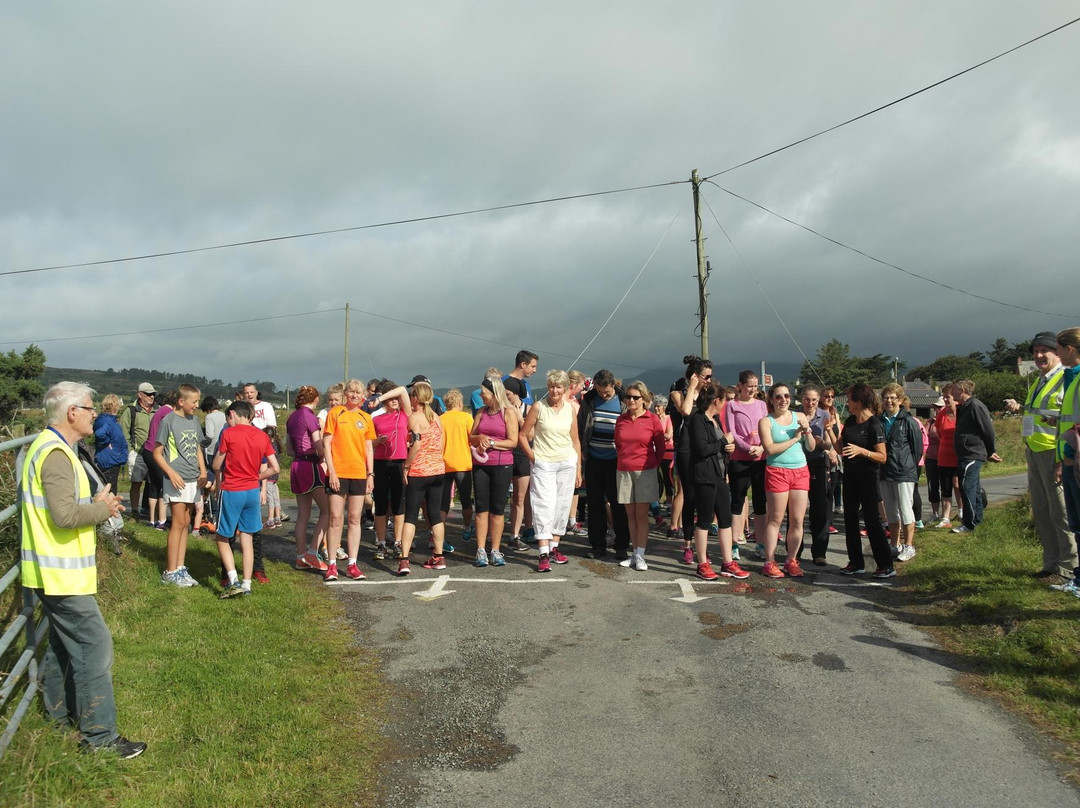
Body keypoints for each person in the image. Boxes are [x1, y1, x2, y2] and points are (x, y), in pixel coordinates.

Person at [19, 382, 145, 758]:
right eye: (90, 408)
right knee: (94, 645)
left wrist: (94, 501)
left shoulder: (51, 448)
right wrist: (101, 510)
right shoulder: (56, 453)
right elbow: (64, 515)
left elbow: (65, 506)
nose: (95, 414)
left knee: (61, 646)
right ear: (72, 412)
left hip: (53, 569)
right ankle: (100, 737)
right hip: (60, 574)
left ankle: (57, 719)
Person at [1004, 331, 1074, 578]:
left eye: (1045, 350)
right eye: (1035, 351)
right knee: (1042, 512)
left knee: (1061, 512)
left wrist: (1061, 455)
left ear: (1058, 352)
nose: (1039, 355)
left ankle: (1068, 569)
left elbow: (1068, 418)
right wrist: (1020, 408)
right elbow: (1036, 412)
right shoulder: (1038, 381)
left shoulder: (1067, 378)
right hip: (1034, 450)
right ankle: (1051, 565)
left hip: (1054, 452)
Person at [213, 400, 279, 597]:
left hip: (232, 489)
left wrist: (218, 462)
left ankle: (233, 579)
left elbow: (217, 465)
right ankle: (247, 584)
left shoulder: (229, 433)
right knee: (247, 537)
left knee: (222, 536)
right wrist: (256, 477)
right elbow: (275, 467)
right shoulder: (261, 435)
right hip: (252, 490)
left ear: (232, 414)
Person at [519, 370, 582, 573]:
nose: (554, 390)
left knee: (562, 505)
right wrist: (532, 456)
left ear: (565, 388)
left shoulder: (570, 409)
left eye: (558, 387)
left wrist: (578, 467)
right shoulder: (539, 407)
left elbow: (575, 440)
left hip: (566, 462)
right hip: (544, 463)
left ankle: (555, 548)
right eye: (551, 386)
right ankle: (543, 553)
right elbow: (522, 435)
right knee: (543, 505)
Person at [687, 382, 747, 580]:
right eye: (724, 400)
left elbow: (718, 446)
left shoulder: (715, 420)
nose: (726, 404)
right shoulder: (697, 419)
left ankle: (728, 562)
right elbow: (701, 449)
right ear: (717, 400)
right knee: (704, 520)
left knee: (725, 519)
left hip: (719, 475)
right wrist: (723, 442)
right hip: (704, 476)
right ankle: (702, 563)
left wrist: (726, 448)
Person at [758, 383, 816, 578]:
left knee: (798, 520)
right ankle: (769, 561)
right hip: (777, 471)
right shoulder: (766, 422)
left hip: (800, 470)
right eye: (778, 397)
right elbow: (770, 449)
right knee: (775, 519)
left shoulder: (799, 417)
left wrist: (807, 431)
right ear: (771, 400)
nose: (783, 400)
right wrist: (794, 438)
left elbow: (811, 446)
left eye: (786, 396)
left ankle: (791, 560)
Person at [323, 379, 378, 581]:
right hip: (338, 473)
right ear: (345, 393)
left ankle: (353, 564)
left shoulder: (365, 417)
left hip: (358, 474)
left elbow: (368, 448)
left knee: (355, 519)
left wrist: (370, 474)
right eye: (351, 391)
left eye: (357, 392)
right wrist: (332, 471)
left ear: (363, 394)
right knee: (336, 518)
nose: (354, 395)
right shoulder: (335, 413)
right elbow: (327, 444)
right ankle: (331, 565)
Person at [836, 383, 894, 578]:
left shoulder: (874, 424)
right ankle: (855, 562)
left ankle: (885, 565)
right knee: (850, 518)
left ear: (859, 401)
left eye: (849, 399)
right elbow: (840, 449)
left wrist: (862, 451)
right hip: (850, 476)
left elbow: (882, 456)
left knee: (871, 520)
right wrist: (830, 432)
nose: (847, 402)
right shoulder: (851, 421)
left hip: (869, 476)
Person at [153, 383, 208, 586]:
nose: (197, 405)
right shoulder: (168, 420)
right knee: (177, 523)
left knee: (186, 521)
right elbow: (157, 453)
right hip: (176, 480)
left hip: (193, 479)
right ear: (181, 401)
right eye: (194, 402)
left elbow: (197, 449)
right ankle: (170, 571)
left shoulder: (194, 420)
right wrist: (171, 473)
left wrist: (203, 471)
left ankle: (180, 568)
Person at [397, 381, 449, 575]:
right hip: (437, 471)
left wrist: (406, 466)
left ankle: (404, 560)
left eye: (411, 396)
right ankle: (439, 555)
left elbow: (416, 445)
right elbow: (442, 444)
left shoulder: (414, 418)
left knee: (410, 515)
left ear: (416, 398)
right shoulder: (437, 417)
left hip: (419, 471)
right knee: (434, 514)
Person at [614, 381, 666, 571]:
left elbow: (660, 447)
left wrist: (652, 464)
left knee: (642, 515)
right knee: (630, 514)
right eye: (628, 397)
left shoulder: (652, 420)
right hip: (624, 470)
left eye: (635, 397)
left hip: (645, 470)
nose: (631, 400)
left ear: (644, 400)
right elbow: (618, 444)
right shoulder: (621, 420)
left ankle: (641, 555)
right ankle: (634, 553)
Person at [578, 369, 629, 560]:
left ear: (613, 385)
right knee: (595, 505)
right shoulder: (589, 400)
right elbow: (581, 425)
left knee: (619, 505)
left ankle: (622, 545)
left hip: (616, 460)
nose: (603, 395)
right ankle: (597, 545)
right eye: (599, 391)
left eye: (606, 392)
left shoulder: (624, 400)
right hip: (594, 459)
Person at [470, 375, 519, 567]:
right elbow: (471, 437)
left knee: (498, 510)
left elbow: (513, 442)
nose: (481, 396)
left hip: (502, 464)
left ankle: (495, 551)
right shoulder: (481, 412)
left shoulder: (508, 413)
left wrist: (491, 442)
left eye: (484, 393)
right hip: (481, 465)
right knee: (481, 508)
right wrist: (480, 437)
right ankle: (480, 550)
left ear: (494, 393)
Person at [669, 356, 713, 562]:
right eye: (706, 377)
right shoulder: (678, 394)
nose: (709, 381)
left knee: (704, 497)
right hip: (686, 450)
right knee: (689, 497)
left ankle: (702, 543)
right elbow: (686, 411)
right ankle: (687, 544)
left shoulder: (707, 395)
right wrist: (693, 388)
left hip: (705, 450)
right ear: (695, 376)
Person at [286, 385, 330, 571]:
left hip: (296, 465)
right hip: (310, 465)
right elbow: (318, 444)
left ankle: (300, 556)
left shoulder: (291, 417)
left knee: (303, 514)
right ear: (316, 399)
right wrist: (323, 457)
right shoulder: (310, 417)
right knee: (328, 511)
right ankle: (313, 552)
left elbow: (288, 449)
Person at [725, 371, 768, 557]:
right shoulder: (731, 405)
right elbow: (731, 431)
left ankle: (761, 542)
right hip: (739, 459)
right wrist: (746, 447)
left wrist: (760, 448)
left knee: (760, 502)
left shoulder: (761, 405)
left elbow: (767, 428)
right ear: (740, 386)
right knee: (737, 500)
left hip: (760, 458)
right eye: (749, 386)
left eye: (755, 386)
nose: (752, 389)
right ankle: (734, 543)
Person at [879, 383, 923, 563]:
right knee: (891, 512)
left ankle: (909, 546)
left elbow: (917, 449)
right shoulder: (879, 420)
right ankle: (894, 544)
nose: (889, 401)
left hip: (904, 471)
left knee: (906, 510)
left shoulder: (908, 421)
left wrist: (907, 466)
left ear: (900, 400)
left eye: (893, 397)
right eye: (886, 397)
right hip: (885, 472)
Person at [951, 379, 1001, 534]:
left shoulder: (975, 406)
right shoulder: (963, 407)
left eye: (954, 389)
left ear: (963, 390)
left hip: (973, 452)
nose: (952, 393)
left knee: (966, 487)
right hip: (965, 452)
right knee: (974, 487)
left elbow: (987, 430)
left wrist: (990, 450)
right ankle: (977, 520)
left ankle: (969, 523)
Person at [371, 380, 412, 560]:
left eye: (396, 398)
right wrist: (377, 442)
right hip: (380, 462)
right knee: (380, 505)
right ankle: (381, 543)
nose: (395, 400)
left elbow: (403, 390)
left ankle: (397, 542)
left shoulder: (404, 415)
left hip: (399, 462)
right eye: (391, 398)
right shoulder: (376, 419)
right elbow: (368, 443)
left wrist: (381, 397)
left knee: (398, 505)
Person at [798, 385, 833, 566]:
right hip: (798, 464)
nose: (810, 403)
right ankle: (795, 551)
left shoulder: (825, 416)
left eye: (813, 400)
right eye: (806, 399)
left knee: (819, 509)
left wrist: (821, 440)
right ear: (801, 399)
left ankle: (819, 552)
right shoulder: (795, 415)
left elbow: (828, 446)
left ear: (818, 400)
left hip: (818, 463)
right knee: (796, 511)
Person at [503, 375, 534, 552]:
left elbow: (530, 436)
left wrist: (519, 417)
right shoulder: (502, 408)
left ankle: (515, 535)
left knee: (520, 498)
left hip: (522, 456)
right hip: (505, 454)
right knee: (501, 497)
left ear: (516, 393)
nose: (505, 397)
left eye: (507, 394)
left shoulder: (529, 408)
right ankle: (495, 535)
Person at [440, 389, 475, 541]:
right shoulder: (467, 418)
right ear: (460, 403)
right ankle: (467, 528)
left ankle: (439, 533)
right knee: (466, 500)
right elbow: (473, 439)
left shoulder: (440, 419)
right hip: (463, 464)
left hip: (444, 464)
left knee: (443, 503)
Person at [120, 382, 158, 517]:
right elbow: (124, 432)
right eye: (148, 394)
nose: (151, 396)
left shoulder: (157, 410)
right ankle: (135, 511)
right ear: (140, 394)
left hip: (155, 453)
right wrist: (130, 451)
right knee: (136, 483)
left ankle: (152, 513)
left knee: (154, 484)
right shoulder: (131, 411)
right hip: (138, 453)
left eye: (153, 394)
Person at [142, 391, 174, 530]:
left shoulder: (160, 410)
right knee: (164, 485)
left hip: (148, 450)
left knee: (154, 485)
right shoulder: (168, 412)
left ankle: (152, 519)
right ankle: (161, 521)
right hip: (157, 451)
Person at [934, 385, 960, 528]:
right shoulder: (941, 414)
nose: (945, 399)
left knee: (957, 484)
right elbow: (938, 433)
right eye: (943, 397)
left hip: (959, 455)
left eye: (947, 397)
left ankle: (962, 511)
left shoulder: (962, 411)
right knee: (945, 487)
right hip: (944, 455)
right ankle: (945, 518)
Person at [93, 394, 128, 497]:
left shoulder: (104, 420)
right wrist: (107, 442)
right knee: (111, 489)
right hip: (110, 459)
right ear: (115, 406)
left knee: (107, 487)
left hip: (109, 457)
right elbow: (100, 433)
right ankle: (110, 511)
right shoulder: (108, 421)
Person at [262, 426, 283, 528]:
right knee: (275, 497)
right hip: (275, 476)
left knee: (270, 497)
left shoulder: (269, 446)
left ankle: (270, 519)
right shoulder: (276, 445)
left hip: (269, 475)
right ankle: (277, 518)